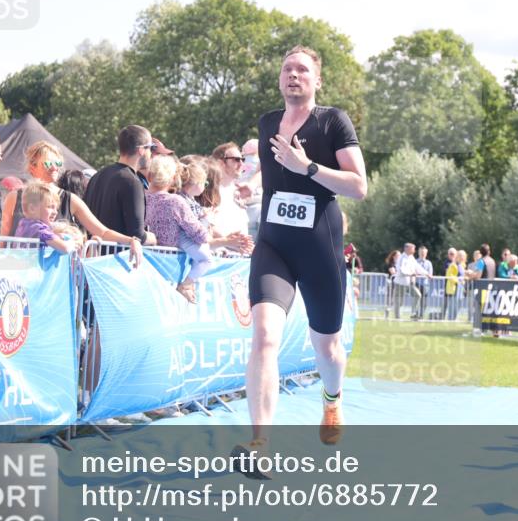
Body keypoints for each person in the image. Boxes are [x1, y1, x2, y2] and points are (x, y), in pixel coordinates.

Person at [236, 45, 367, 473]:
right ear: (279, 79)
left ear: (317, 80)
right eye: (287, 69)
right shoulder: (267, 123)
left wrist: (307, 166)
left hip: (319, 245)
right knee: (264, 337)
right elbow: (269, 172)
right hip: (274, 245)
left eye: (303, 70)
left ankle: (332, 401)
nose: (294, 75)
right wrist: (251, 186)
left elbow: (359, 186)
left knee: (326, 347)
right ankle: (260, 443)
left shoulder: (333, 121)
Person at [2, 139, 142, 267]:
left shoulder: (71, 200)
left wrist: (131, 240)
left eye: (57, 163)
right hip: (23, 274)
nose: (54, 168)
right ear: (33, 167)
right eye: (48, 163)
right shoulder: (14, 198)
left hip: (58, 280)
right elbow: (3, 241)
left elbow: (102, 231)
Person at [145, 156, 239, 303]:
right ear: (174, 177)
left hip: (151, 255)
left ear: (150, 175)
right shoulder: (175, 201)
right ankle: (186, 285)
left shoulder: (143, 197)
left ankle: (187, 285)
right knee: (206, 259)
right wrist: (207, 221)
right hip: (173, 250)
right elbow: (199, 234)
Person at [83, 126, 158, 250]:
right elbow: (137, 235)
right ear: (141, 150)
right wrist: (153, 237)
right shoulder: (132, 182)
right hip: (116, 261)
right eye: (151, 148)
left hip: (93, 258)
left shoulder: (98, 175)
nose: (151, 153)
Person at [14, 182, 79, 254]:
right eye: (50, 207)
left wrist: (59, 236)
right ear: (32, 208)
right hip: (33, 264)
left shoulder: (24, 224)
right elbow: (65, 248)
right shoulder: (39, 229)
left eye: (56, 209)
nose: (55, 212)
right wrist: (72, 243)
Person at [392, 243, 426, 320]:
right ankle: (397, 318)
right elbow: (401, 270)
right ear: (407, 249)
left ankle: (413, 313)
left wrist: (427, 274)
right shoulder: (402, 258)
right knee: (399, 302)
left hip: (409, 283)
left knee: (418, 295)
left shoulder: (411, 257)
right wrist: (411, 273)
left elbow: (417, 267)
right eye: (413, 248)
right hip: (400, 283)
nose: (414, 250)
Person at [414, 245, 433, 318]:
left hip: (425, 284)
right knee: (416, 300)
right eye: (421, 252)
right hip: (416, 284)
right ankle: (415, 314)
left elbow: (430, 274)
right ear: (418, 253)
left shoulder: (429, 263)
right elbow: (414, 272)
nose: (422, 254)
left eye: (424, 253)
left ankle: (421, 315)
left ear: (426, 253)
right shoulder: (415, 262)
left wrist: (424, 274)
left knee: (424, 302)